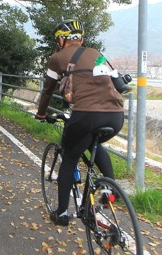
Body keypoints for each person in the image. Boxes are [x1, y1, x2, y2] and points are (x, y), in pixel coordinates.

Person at [34, 19, 124, 226]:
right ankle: (112, 190)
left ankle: (63, 213)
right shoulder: (97, 54)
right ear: (81, 39)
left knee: (69, 159)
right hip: (116, 115)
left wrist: (41, 113)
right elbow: (118, 82)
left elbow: (48, 90)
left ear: (62, 39)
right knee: (95, 143)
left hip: (86, 114)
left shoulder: (57, 58)